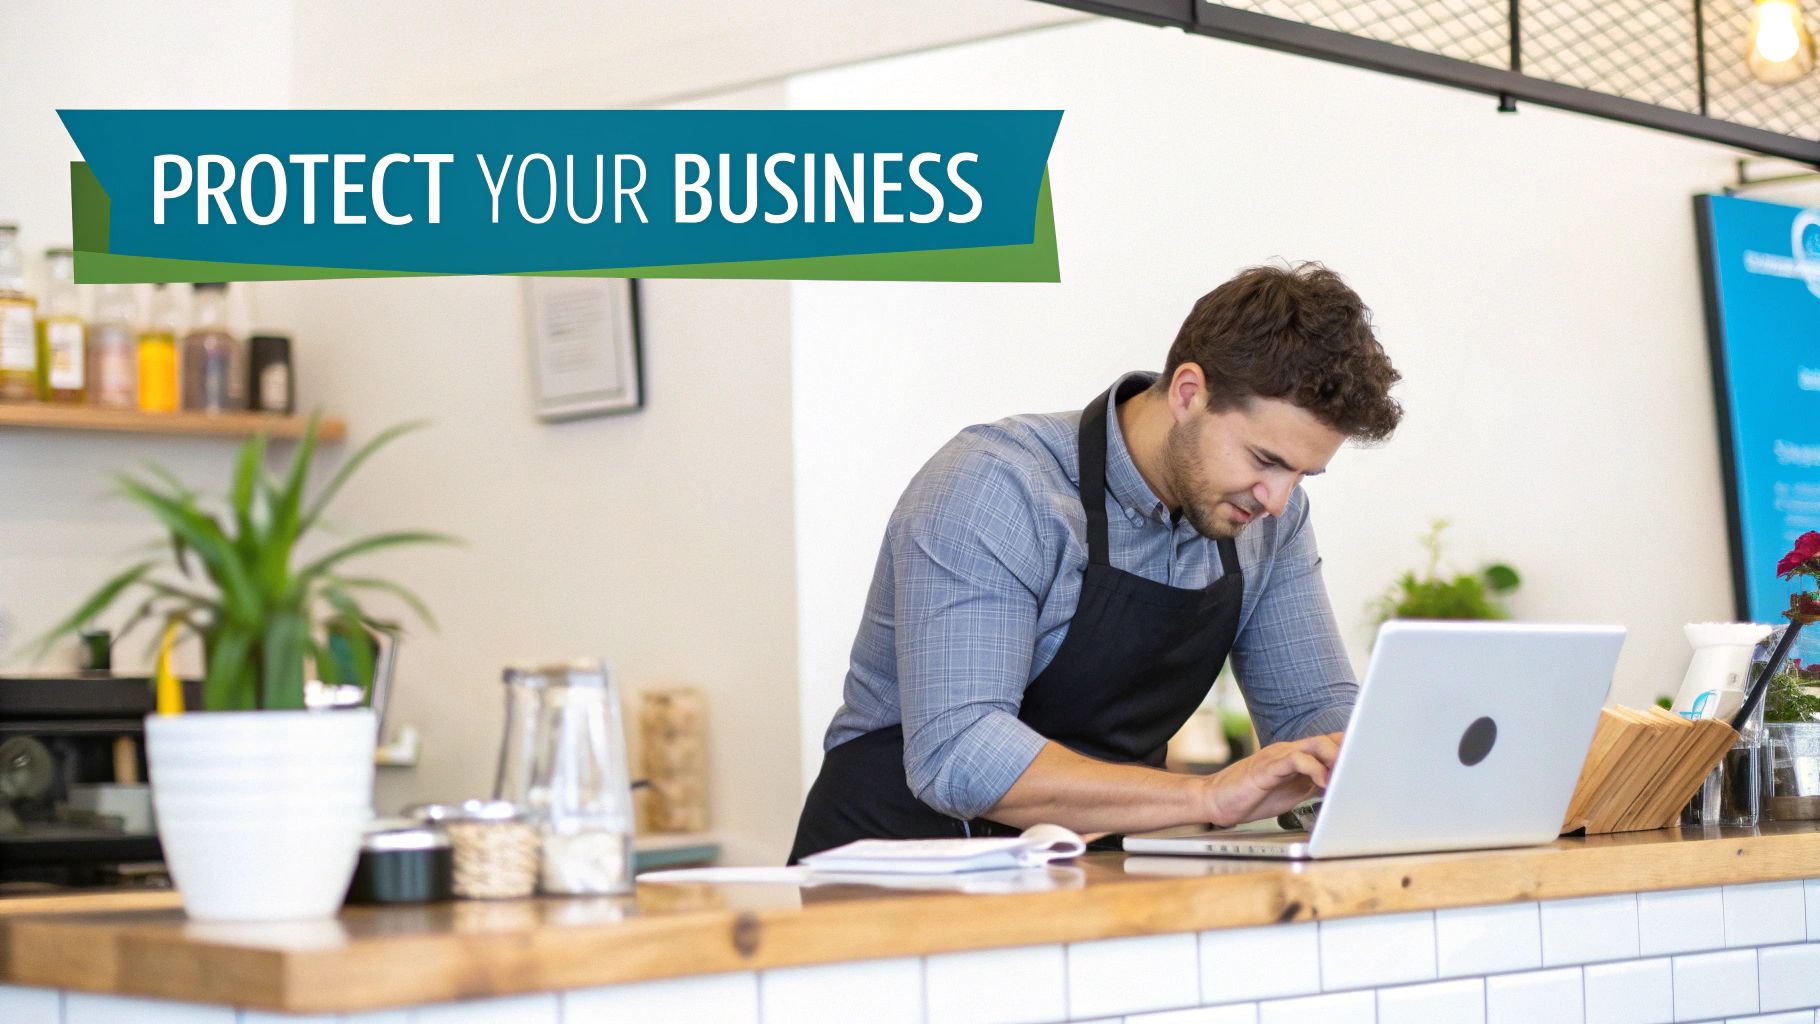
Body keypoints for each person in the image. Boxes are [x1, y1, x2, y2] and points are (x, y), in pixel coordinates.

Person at [789, 262, 1404, 862]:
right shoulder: (1001, 485)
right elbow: (959, 752)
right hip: (887, 881)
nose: (1278, 499)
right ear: (1190, 394)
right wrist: (1207, 795)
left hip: (1088, 875)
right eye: (1265, 460)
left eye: (1303, 473)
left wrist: (1352, 766)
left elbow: (1309, 713)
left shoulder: (1271, 522)